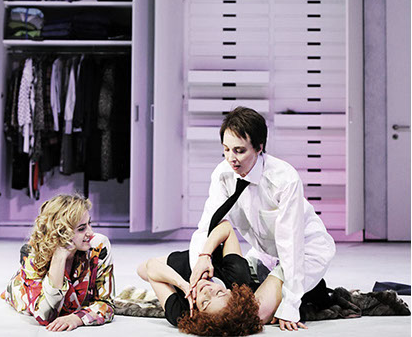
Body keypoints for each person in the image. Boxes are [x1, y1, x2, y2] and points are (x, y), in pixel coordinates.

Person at [189, 106, 336, 331]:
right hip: (265, 254)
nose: (231, 158)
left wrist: (290, 304)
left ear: (259, 148)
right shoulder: (223, 174)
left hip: (305, 251)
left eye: (239, 151)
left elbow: (291, 244)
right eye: (226, 149)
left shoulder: (284, 179)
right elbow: (207, 225)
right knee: (224, 307)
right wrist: (200, 266)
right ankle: (301, 289)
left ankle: (307, 291)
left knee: (253, 315)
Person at [138, 218, 293, 335]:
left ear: (198, 313)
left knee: (142, 270)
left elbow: (151, 266)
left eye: (205, 302)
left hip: (178, 267)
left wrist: (182, 284)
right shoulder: (237, 277)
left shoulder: (182, 313)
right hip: (211, 257)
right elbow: (226, 227)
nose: (207, 291)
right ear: (230, 291)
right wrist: (205, 255)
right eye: (218, 292)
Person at [1, 193, 114, 330]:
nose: (90, 232)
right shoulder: (32, 252)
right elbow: (45, 316)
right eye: (81, 228)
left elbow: (107, 305)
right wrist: (59, 256)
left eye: (89, 223)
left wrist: (77, 318)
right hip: (22, 292)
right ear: (61, 232)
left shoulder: (98, 245)